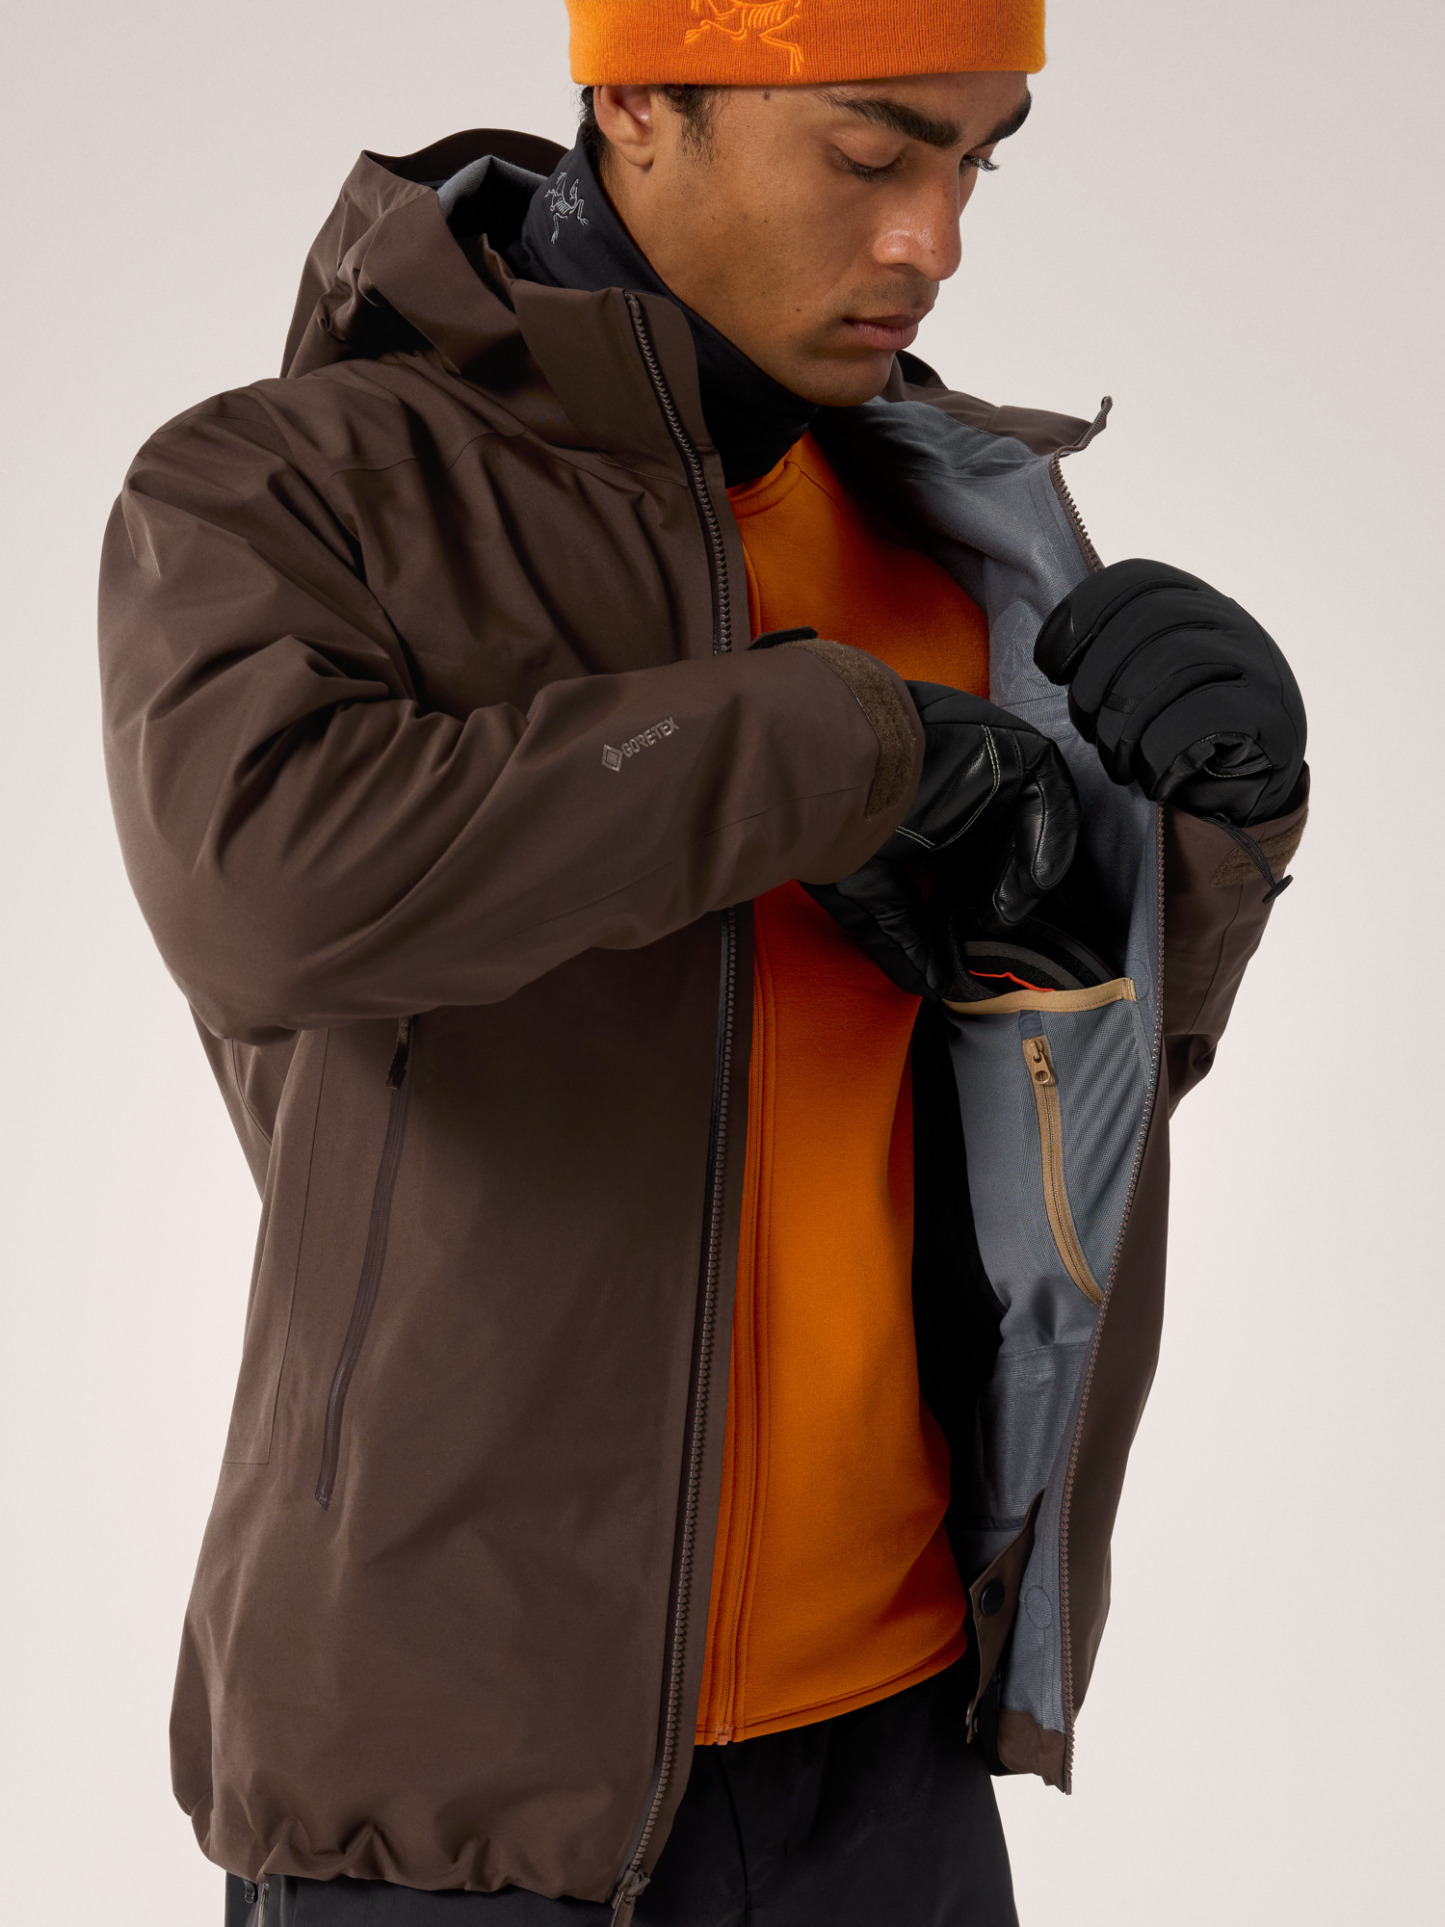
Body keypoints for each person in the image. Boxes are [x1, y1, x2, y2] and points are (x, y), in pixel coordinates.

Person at [99, 3, 1309, 1923]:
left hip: (896, 1750)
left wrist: (1205, 846)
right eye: (871, 152)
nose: (932, 239)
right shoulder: (294, 486)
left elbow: (1058, 1095)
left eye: (974, 162)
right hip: (459, 1794)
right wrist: (832, 747)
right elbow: (269, 893)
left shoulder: (953, 531)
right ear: (639, 95)